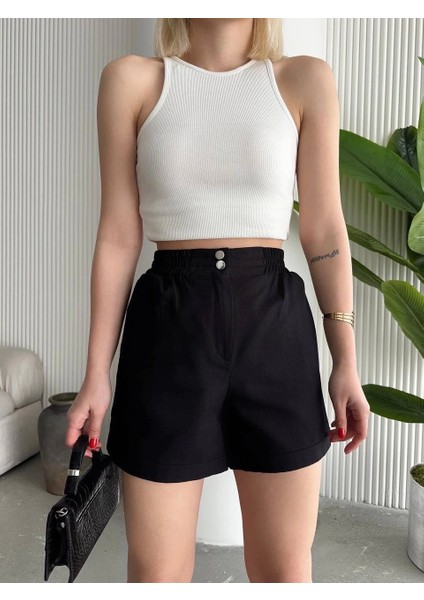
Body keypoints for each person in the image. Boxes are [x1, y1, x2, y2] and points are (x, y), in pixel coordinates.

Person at [65, 18, 370, 583]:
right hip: (167, 335)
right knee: (156, 575)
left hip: (275, 331)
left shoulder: (304, 80)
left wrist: (346, 360)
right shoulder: (131, 81)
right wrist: (96, 374)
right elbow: (118, 235)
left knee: (285, 572)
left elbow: (324, 229)